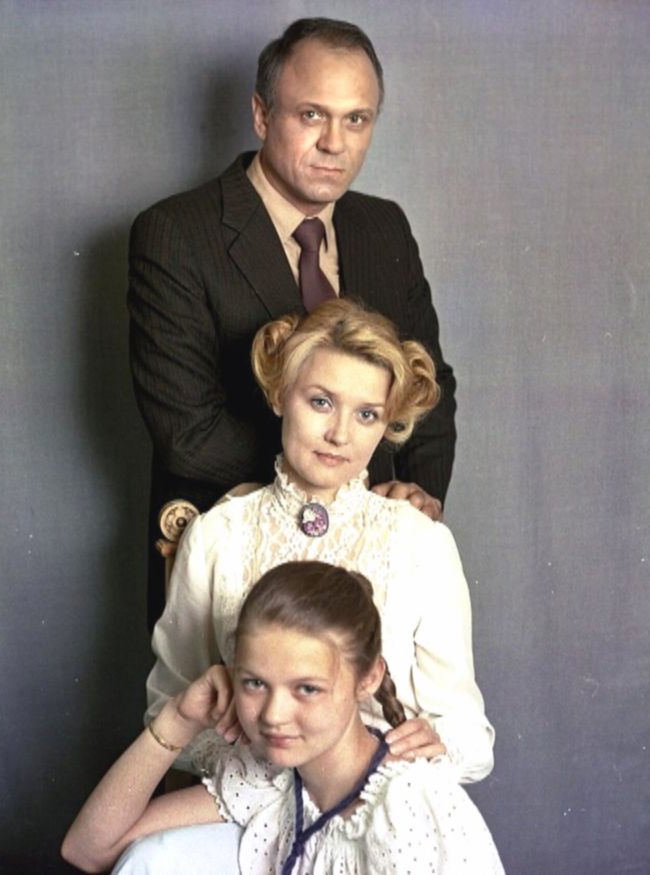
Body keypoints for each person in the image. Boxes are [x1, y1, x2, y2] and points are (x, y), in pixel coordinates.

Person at [128, 17, 457, 626]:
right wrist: (340, 492)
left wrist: (415, 501)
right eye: (312, 115)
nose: (335, 142)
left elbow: (429, 386)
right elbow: (188, 432)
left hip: (375, 552)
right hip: (237, 558)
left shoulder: (384, 226)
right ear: (261, 115)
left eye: (356, 119)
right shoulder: (176, 233)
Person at [147, 299, 493, 786]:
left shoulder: (421, 541)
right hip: (249, 798)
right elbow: (168, 709)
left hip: (381, 792)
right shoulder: (217, 535)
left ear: (387, 424)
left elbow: (469, 736)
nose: (339, 434)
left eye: (367, 414)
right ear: (280, 394)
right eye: (321, 402)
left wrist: (439, 744)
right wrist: (246, 758)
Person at [62, 561, 504, 874]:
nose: (273, 715)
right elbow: (89, 850)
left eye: (307, 689)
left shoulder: (408, 809)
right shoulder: (272, 781)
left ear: (368, 678)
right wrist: (178, 718)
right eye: (255, 683)